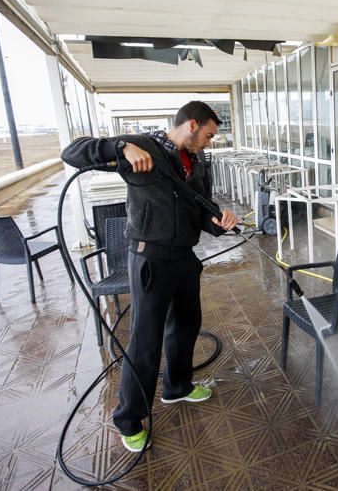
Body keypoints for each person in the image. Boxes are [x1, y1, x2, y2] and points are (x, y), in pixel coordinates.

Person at [61, 101, 238, 453]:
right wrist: (119, 147)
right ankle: (129, 418)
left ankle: (178, 387)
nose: (209, 142)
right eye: (207, 134)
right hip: (150, 258)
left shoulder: (198, 161)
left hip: (184, 257)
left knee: (186, 326)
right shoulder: (141, 146)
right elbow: (73, 152)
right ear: (191, 124)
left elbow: (199, 206)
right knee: (145, 341)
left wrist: (218, 222)